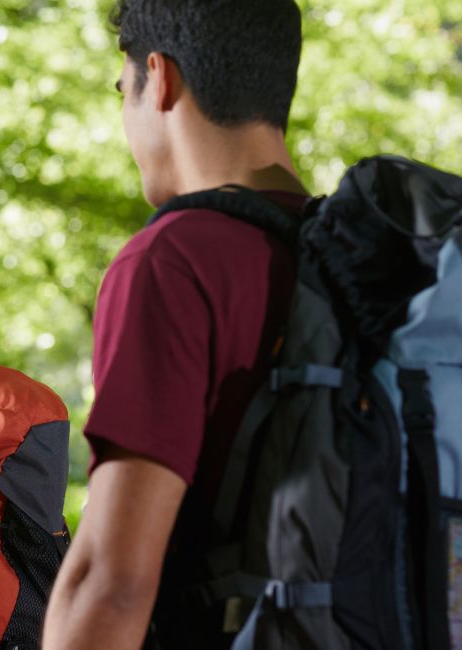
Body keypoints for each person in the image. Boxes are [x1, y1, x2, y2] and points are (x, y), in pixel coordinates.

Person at [43, 1, 309, 648]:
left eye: (121, 89)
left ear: (157, 78)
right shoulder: (352, 259)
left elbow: (113, 582)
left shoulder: (176, 260)